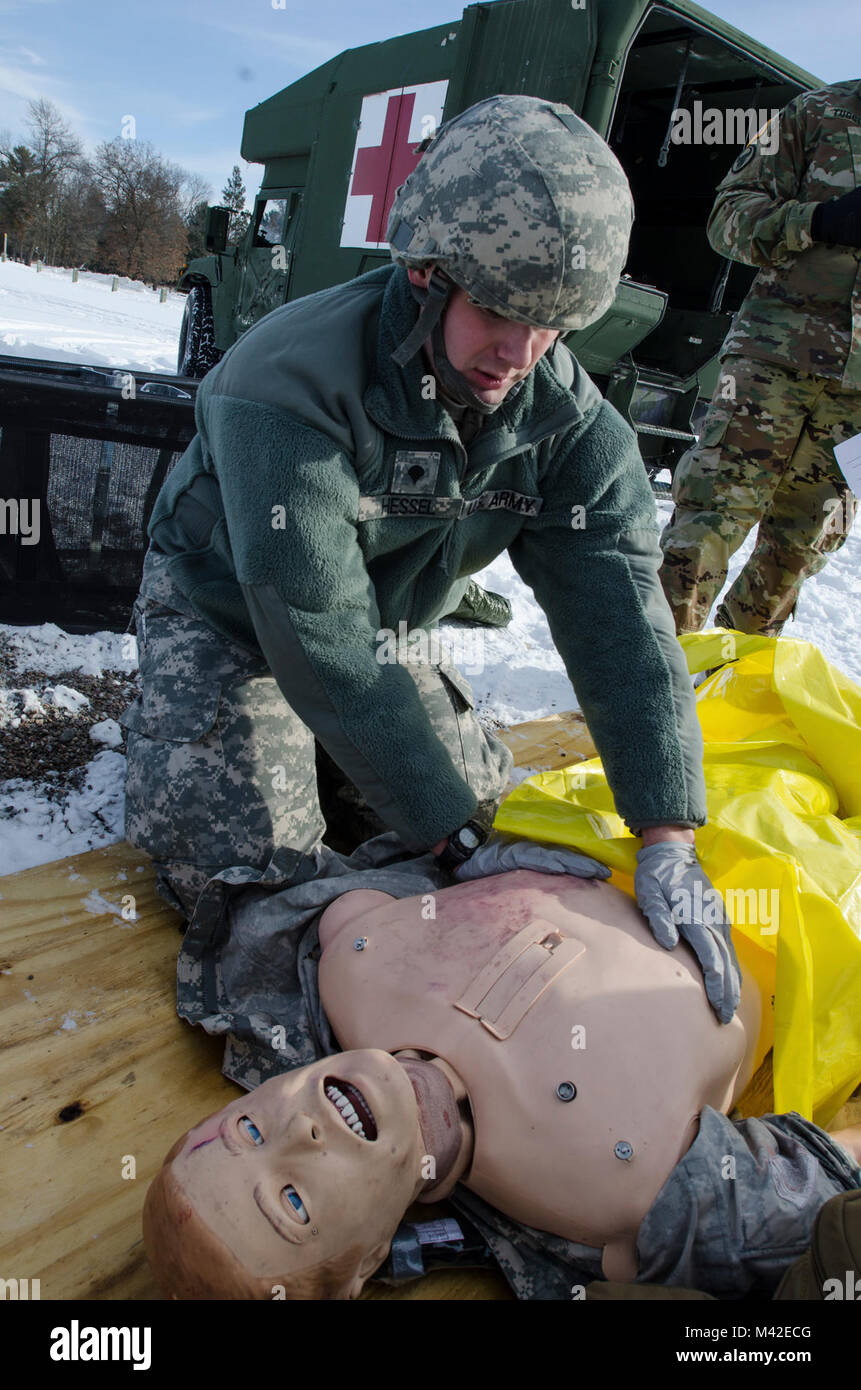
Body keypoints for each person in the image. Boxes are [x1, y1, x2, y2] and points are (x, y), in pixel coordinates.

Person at [120, 93, 737, 1020]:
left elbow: (622, 622)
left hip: (389, 629)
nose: (517, 355)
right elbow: (316, 625)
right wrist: (443, 832)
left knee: (489, 830)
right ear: (424, 270)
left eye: (553, 325)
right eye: (495, 310)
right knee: (261, 895)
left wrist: (666, 833)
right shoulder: (287, 383)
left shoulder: (566, 424)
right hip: (235, 617)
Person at [143, 860, 861, 1300]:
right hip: (806, 908)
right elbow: (828, 1194)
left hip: (642, 815)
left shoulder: (350, 966)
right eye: (292, 1200)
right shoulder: (618, 1195)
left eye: (247, 1129)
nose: (297, 1132)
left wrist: (468, 848)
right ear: (364, 1263)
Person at [659, 81, 861, 636]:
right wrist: (817, 221)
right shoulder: (819, 113)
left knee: (803, 546)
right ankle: (652, 678)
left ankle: (733, 678)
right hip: (774, 359)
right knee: (709, 519)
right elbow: (728, 217)